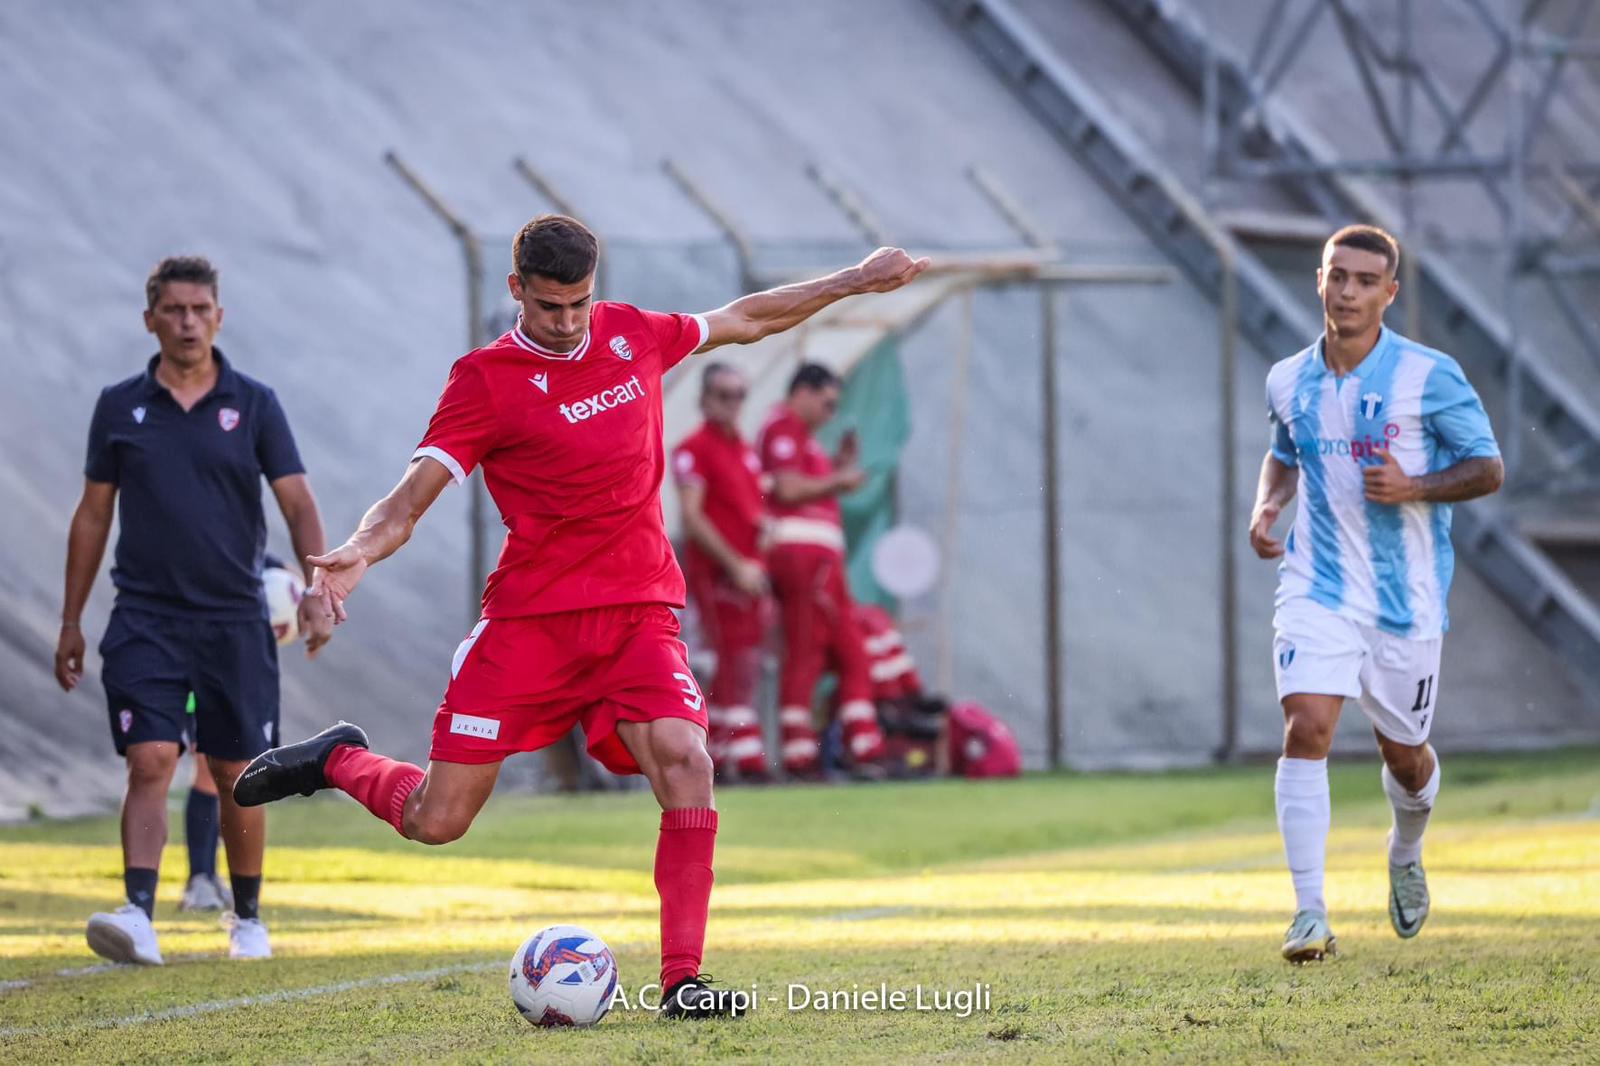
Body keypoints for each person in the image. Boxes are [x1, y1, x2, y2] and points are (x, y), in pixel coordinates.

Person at [231, 215, 929, 1018]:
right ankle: (338, 761)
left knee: (687, 760)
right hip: (532, 624)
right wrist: (357, 551)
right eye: (549, 306)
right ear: (517, 290)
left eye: (579, 304)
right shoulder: (484, 380)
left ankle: (683, 982)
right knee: (438, 820)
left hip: (638, 613)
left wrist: (854, 279)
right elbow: (410, 499)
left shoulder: (633, 334)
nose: (567, 324)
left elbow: (745, 318)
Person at [55, 256, 331, 965]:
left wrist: (319, 588)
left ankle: (247, 917)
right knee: (150, 758)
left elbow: (297, 502)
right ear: (150, 319)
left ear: (219, 317)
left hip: (235, 619)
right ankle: (138, 914)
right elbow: (93, 515)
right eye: (174, 310)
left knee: (238, 771)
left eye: (200, 309)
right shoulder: (120, 406)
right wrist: (70, 620)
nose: (187, 322)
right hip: (145, 616)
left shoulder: (255, 403)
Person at [1249, 225, 1504, 963]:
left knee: (1407, 760)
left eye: (1366, 281)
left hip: (1405, 602)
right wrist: (1267, 505)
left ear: (1389, 294)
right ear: (1320, 281)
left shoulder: (1429, 375)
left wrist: (1414, 485)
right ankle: (1309, 913)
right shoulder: (1288, 378)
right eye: (1338, 276)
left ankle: (1405, 849)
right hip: (1317, 587)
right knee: (1307, 726)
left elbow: (1487, 468)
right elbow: (1283, 453)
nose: (1349, 292)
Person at [758, 364, 887, 778]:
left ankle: (863, 746)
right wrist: (840, 482)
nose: (831, 414)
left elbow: (808, 485)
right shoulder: (782, 427)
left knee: (852, 651)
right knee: (806, 653)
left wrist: (837, 468)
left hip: (825, 563)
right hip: (803, 561)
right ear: (803, 392)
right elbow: (787, 489)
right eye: (827, 403)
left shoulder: (805, 440)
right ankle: (800, 754)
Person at [671, 363, 773, 781]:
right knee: (723, 663)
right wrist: (735, 564)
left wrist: (760, 550)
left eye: (740, 395)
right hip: (717, 575)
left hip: (748, 574)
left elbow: (749, 511)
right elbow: (692, 518)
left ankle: (736, 752)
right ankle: (728, 758)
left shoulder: (744, 450)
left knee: (745, 663)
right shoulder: (694, 448)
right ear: (704, 399)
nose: (733, 403)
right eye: (723, 395)